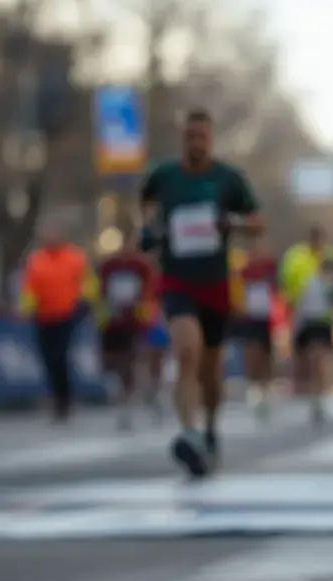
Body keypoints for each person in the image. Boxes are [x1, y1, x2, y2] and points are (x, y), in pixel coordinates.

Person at [139, 107, 264, 477]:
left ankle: (209, 428)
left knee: (211, 370)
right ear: (183, 138)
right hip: (178, 281)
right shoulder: (164, 176)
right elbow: (146, 205)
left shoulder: (228, 180)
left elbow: (258, 221)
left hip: (216, 285)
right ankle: (189, 433)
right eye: (190, 137)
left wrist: (234, 223)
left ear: (211, 138)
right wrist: (149, 228)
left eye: (202, 137)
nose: (196, 143)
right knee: (186, 352)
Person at [20, 222, 90, 423]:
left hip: (67, 314)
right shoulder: (36, 260)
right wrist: (26, 308)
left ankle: (64, 398)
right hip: (43, 315)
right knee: (48, 358)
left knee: (60, 355)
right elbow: (29, 287)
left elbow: (86, 282)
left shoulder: (75, 257)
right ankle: (56, 395)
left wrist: (85, 302)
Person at [95, 227, 157, 430]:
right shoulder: (107, 266)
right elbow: (98, 289)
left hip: (135, 320)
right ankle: (123, 394)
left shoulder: (141, 265)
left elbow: (152, 289)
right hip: (111, 321)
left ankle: (130, 402)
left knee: (131, 361)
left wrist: (146, 310)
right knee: (111, 360)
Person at [281, 225, 333, 425]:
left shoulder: (330, 260)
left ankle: (318, 398)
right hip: (303, 318)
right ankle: (311, 393)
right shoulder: (296, 258)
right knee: (305, 361)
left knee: (317, 357)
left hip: (322, 319)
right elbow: (286, 285)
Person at [233, 234, 278, 421]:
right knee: (252, 355)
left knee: (266, 356)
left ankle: (266, 391)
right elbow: (237, 289)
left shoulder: (270, 266)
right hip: (249, 317)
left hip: (266, 318)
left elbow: (277, 288)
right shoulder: (243, 268)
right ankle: (255, 390)